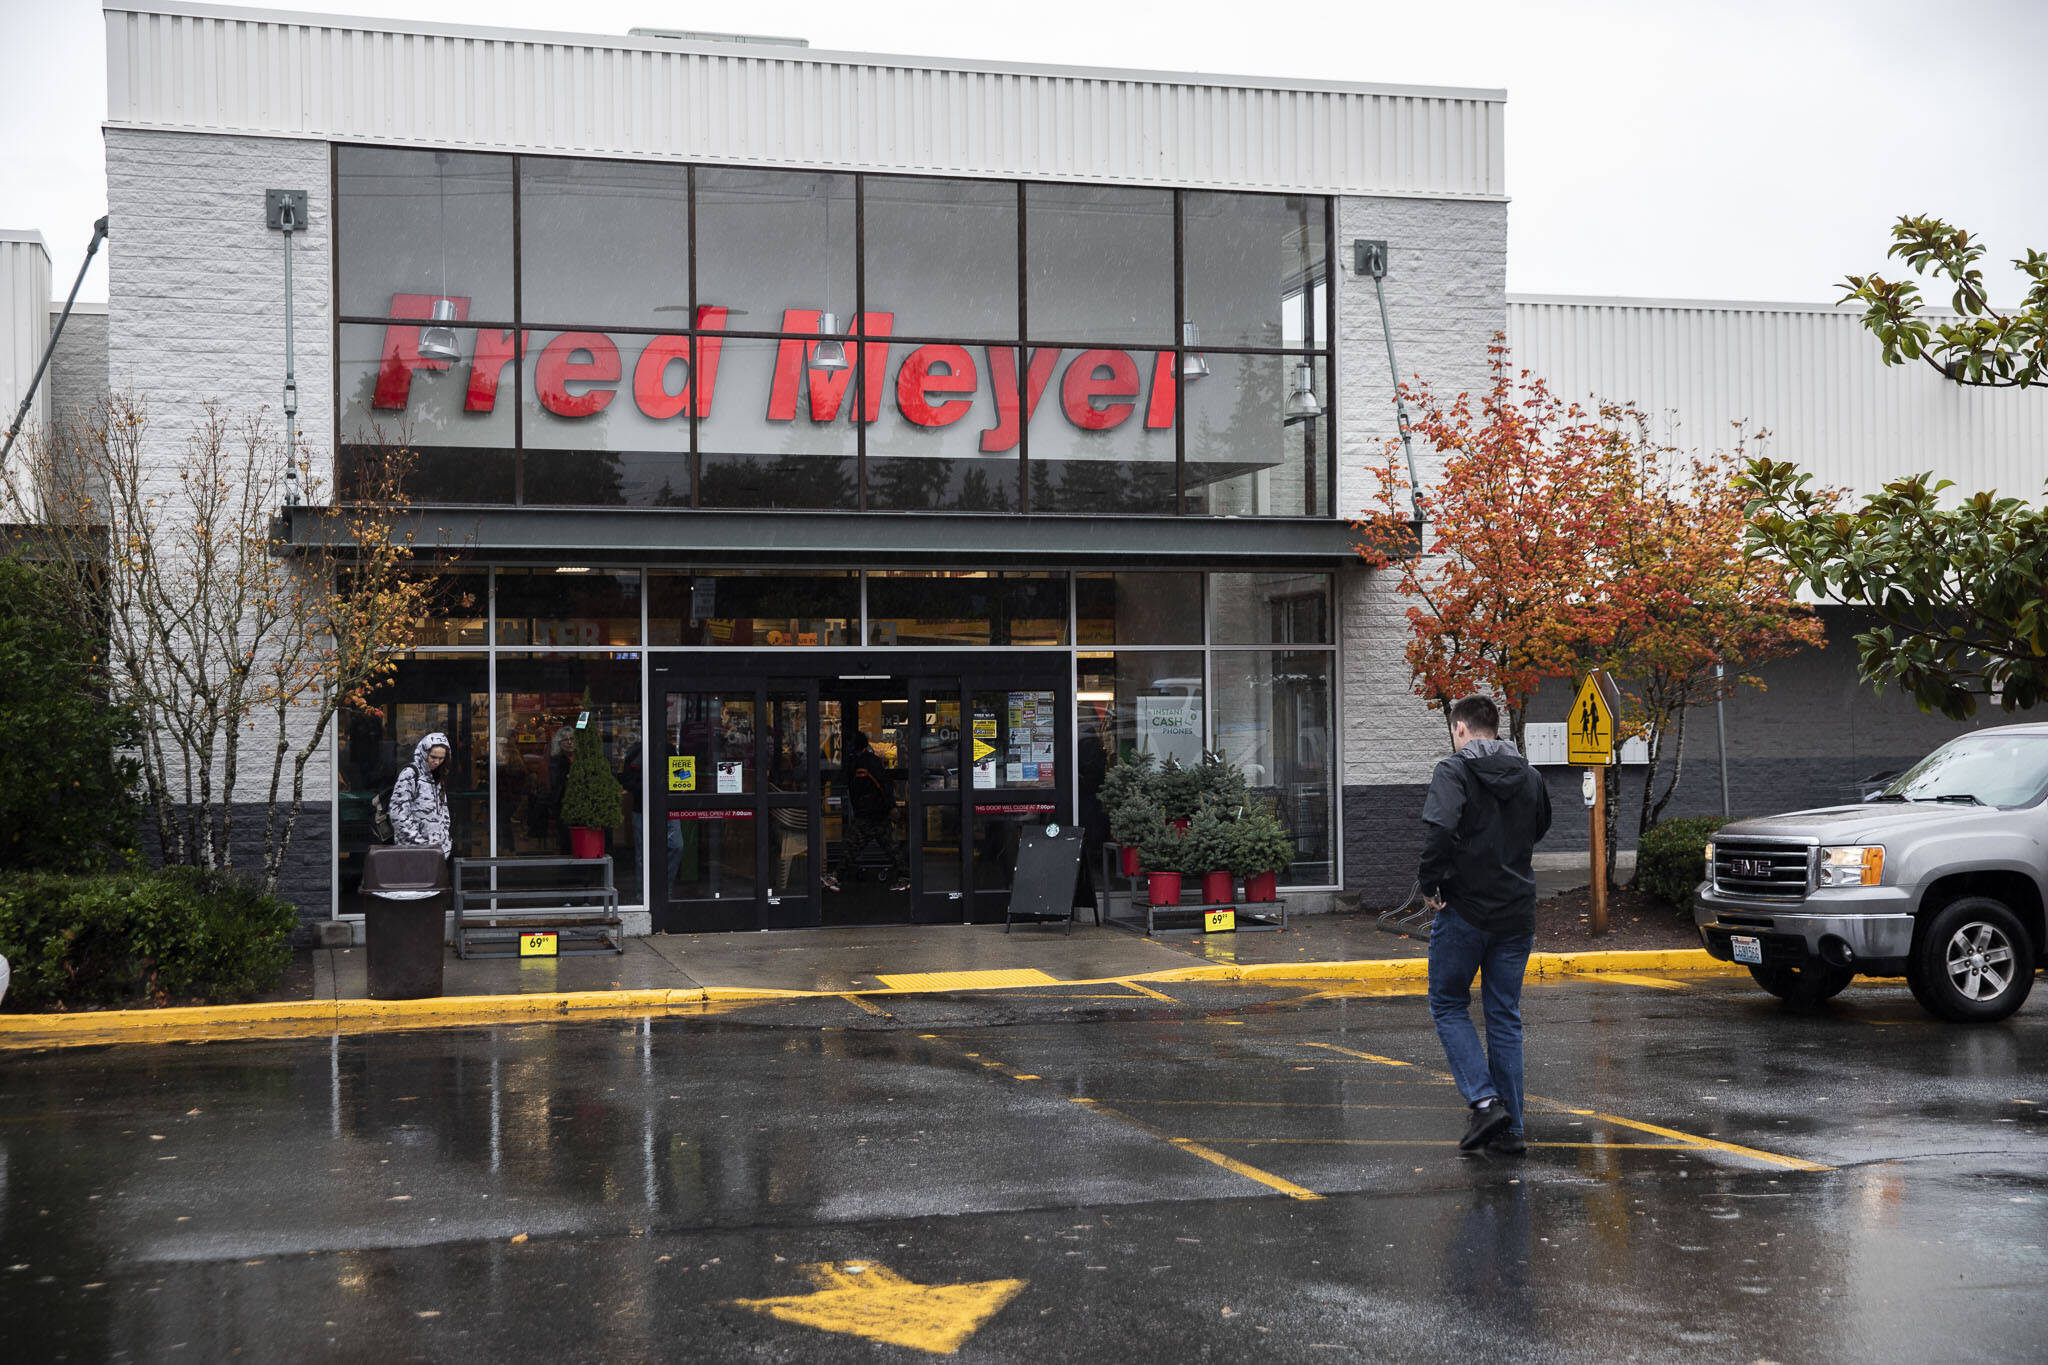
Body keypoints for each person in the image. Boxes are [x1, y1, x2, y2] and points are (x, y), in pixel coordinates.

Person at [1419, 695, 1552, 1156]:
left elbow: (1438, 830)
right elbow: (1539, 827)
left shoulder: (1452, 771)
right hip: (1516, 913)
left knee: (1448, 1003)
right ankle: (1512, 1131)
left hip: (1466, 912)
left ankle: (1484, 1100)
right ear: (1493, 729)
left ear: (1460, 729)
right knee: (1503, 1015)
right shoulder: (1530, 776)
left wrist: (1430, 884)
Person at [825, 731, 906, 892]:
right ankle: (906, 877)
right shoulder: (869, 761)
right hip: (877, 811)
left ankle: (836, 877)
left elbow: (879, 785)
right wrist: (891, 806)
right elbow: (884, 785)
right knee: (889, 846)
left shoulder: (861, 763)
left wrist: (891, 806)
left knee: (852, 845)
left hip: (869, 812)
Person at [390, 731, 453, 858]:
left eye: (441, 758)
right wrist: (418, 842)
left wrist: (446, 841)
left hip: (436, 851)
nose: (436, 762)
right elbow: (397, 813)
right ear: (424, 753)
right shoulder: (410, 774)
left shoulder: (438, 777)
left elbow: (444, 811)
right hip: (413, 851)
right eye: (433, 757)